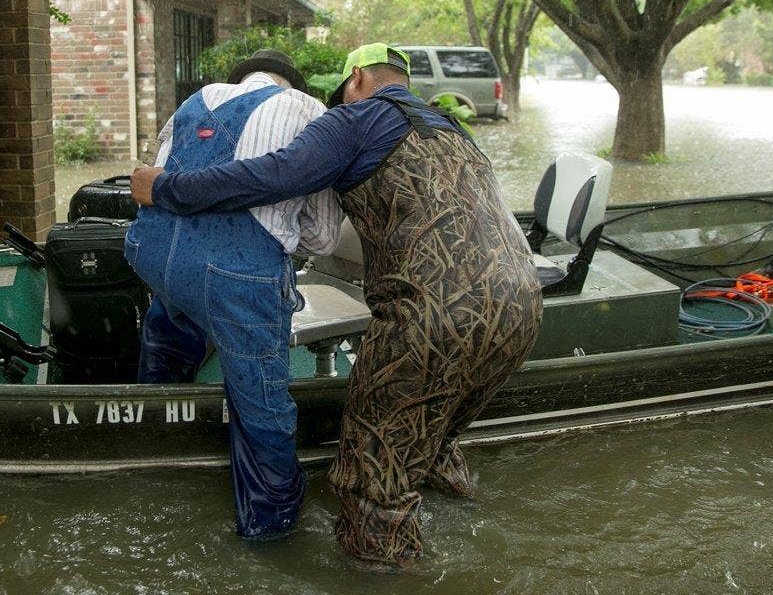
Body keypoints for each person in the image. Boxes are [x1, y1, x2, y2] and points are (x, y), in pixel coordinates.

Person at [131, 43, 541, 566]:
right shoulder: (451, 128)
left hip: (434, 323)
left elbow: (272, 175)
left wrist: (165, 188)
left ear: (355, 79)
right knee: (430, 444)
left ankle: (380, 574)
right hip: (521, 306)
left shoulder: (354, 120)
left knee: (370, 487)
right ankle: (467, 517)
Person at [125, 49, 341, 539]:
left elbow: (157, 176)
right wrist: (278, 231)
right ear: (294, 84)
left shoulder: (195, 100)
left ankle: (155, 457)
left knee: (171, 330)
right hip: (237, 275)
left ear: (238, 80)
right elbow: (323, 239)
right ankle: (269, 526)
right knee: (262, 404)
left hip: (155, 258)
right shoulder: (310, 111)